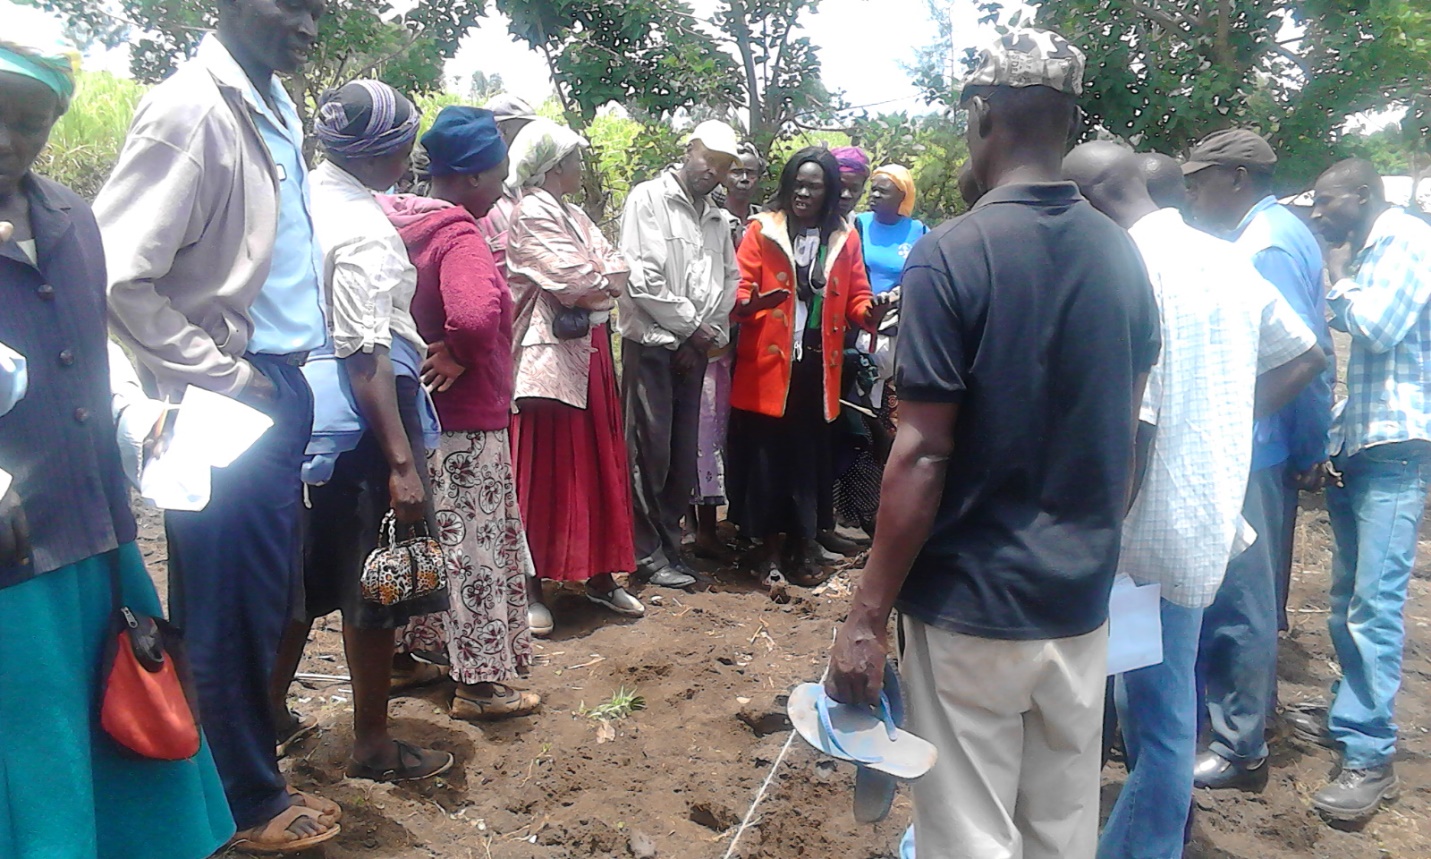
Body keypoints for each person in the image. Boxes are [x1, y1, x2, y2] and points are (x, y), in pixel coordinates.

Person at [824, 30, 1161, 859]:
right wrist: (1083, 549)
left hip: (969, 609)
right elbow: (1128, 437)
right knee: (1059, 833)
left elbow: (923, 452)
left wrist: (866, 614)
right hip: (1076, 608)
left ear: (981, 115)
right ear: (1068, 122)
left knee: (969, 838)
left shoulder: (952, 254)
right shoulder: (1122, 257)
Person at [97, 0, 344, 850]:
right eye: (291, 3)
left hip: (273, 384)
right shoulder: (192, 109)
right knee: (229, 608)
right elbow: (118, 276)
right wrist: (226, 376)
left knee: (255, 599)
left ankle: (220, 780)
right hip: (230, 394)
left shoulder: (270, 105)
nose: (309, 24)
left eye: (319, 8)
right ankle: (243, 800)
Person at [0, 23, 235, 859]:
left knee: (120, 722)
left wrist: (138, 420)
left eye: (29, 120)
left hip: (94, 533)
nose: (7, 138)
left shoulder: (70, 219)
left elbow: (91, 353)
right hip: (12, 559)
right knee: (34, 748)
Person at [1063, 141, 1325, 859]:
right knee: (1149, 695)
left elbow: (1135, 426)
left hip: (1141, 528)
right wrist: (1225, 421)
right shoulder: (1224, 259)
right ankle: (1149, 827)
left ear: (1089, 200)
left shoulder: (1130, 267)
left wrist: (1092, 527)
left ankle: (1144, 846)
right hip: (1202, 513)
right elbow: (1306, 353)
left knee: (1156, 708)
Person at [266, 80, 454, 783]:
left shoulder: (297, 198)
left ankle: (267, 713)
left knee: (306, 574)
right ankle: (373, 744)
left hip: (302, 416)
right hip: (367, 421)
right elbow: (363, 350)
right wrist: (401, 464)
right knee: (377, 581)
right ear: (389, 153)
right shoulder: (365, 230)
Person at [1182, 128, 1334, 790]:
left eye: (1200, 182)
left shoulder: (1264, 245)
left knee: (1241, 600)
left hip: (1255, 447)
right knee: (1242, 594)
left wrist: (1307, 447)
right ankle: (1240, 720)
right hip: (1257, 443)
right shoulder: (1269, 233)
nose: (1191, 195)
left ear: (1237, 178)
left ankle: (1240, 746)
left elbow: (1305, 357)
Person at [387, 106, 542, 720]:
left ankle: (403, 658)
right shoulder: (457, 234)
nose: (502, 189)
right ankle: (479, 686)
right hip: (466, 426)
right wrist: (461, 351)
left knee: (419, 543)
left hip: (412, 422)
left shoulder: (397, 220)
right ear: (474, 175)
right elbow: (476, 314)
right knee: (472, 551)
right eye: (499, 176)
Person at [1290, 159, 1431, 821]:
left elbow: (1375, 325)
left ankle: (1371, 755)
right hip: (1367, 442)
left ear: (1363, 195)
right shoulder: (1379, 245)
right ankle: (1350, 714)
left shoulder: (1407, 242)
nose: (1319, 213)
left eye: (1327, 202)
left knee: (1373, 604)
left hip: (1398, 451)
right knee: (1348, 597)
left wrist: (1336, 279)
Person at [505, 119, 643, 619]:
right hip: (548, 359)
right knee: (545, 470)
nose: (580, 167)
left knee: (597, 463)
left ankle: (600, 577)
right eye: (573, 159)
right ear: (552, 165)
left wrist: (600, 279)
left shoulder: (573, 213)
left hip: (588, 352)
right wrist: (601, 280)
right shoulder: (530, 213)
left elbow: (617, 267)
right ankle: (530, 587)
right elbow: (577, 281)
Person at [726, 146, 879, 588]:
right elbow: (739, 288)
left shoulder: (844, 237)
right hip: (768, 367)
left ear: (828, 191)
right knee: (768, 458)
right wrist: (752, 303)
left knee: (807, 457)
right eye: (797, 183)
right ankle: (767, 552)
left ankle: (802, 546)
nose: (803, 193)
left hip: (816, 367)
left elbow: (857, 297)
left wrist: (871, 311)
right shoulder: (762, 230)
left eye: (813, 186)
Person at [617, 121, 742, 588]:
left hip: (695, 349)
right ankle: (644, 554)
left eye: (723, 165)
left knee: (681, 455)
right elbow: (640, 277)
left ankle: (670, 546)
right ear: (689, 150)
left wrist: (703, 336)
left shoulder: (716, 218)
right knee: (648, 452)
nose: (713, 170)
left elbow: (729, 281)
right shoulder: (648, 199)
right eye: (709, 158)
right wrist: (692, 329)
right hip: (652, 345)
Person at [835, 164, 927, 536]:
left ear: (902, 196)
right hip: (858, 331)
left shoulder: (918, 231)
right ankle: (845, 510)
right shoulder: (857, 225)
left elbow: (922, 278)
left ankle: (871, 505)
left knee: (883, 417)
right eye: (872, 189)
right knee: (856, 416)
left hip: (896, 333)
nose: (873, 196)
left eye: (882, 190)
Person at [692, 141, 764, 560]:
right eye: (736, 170)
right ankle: (697, 528)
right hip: (709, 338)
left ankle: (733, 520)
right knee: (702, 428)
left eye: (750, 172)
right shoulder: (710, 217)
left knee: (729, 432)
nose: (742, 179)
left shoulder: (763, 223)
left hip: (747, 343)